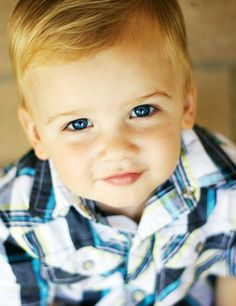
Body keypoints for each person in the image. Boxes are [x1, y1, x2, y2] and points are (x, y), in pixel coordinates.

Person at [0, 0, 236, 305]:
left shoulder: (226, 183)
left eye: (142, 110)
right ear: (37, 134)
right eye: (79, 123)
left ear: (186, 106)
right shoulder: (14, 220)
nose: (116, 149)